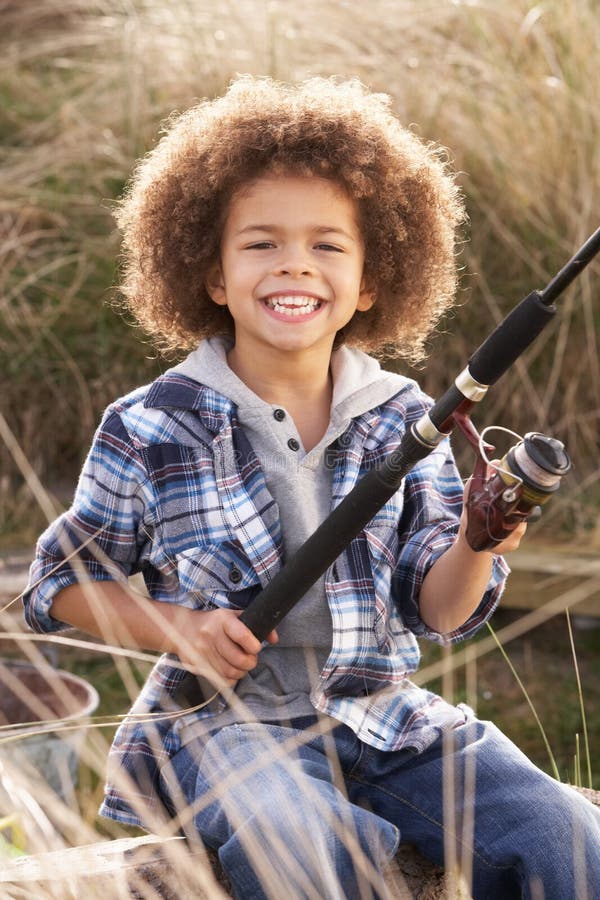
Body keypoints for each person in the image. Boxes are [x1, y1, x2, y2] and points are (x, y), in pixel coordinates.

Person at [24, 76, 599, 899]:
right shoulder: (150, 424)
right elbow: (58, 585)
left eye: (328, 245)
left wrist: (478, 543)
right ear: (211, 273)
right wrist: (180, 629)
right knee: (298, 838)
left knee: (565, 833)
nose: (295, 262)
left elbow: (439, 611)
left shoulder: (406, 416)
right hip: (224, 732)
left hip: (386, 717)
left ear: (372, 281)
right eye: (261, 243)